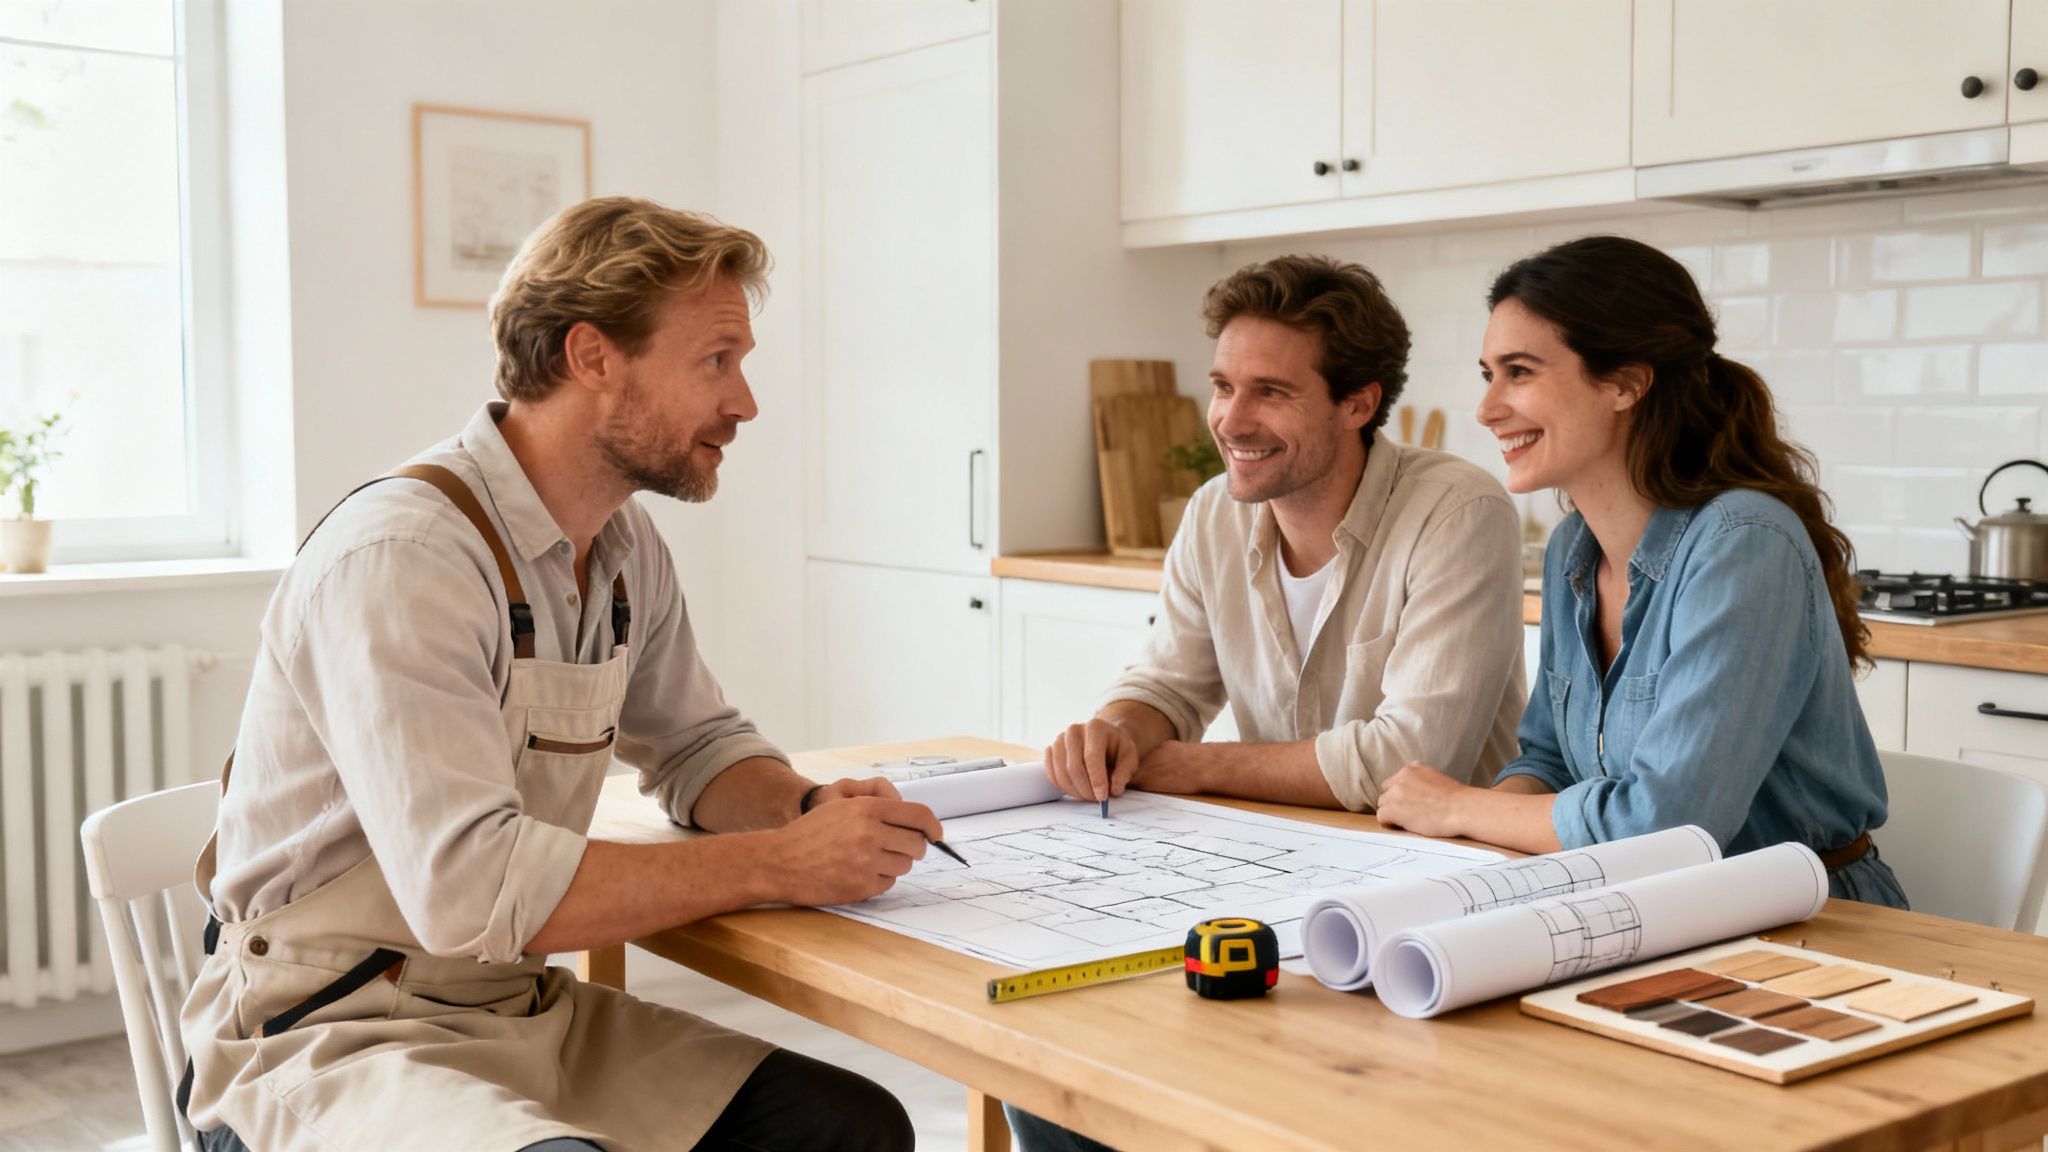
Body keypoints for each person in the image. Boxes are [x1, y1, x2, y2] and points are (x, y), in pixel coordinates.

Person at [178, 197, 936, 1152]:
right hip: (325, 1034)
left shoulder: (624, 546)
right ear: (592, 357)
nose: (744, 402)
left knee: (853, 1128)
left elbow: (698, 749)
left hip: (511, 1007)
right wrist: (781, 864)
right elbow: (469, 890)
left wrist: (806, 810)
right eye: (716, 360)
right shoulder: (404, 558)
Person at [1376, 234, 1906, 910]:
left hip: (1816, 918)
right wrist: (1481, 850)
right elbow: (1548, 759)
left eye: (1520, 372)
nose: (1487, 409)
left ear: (1626, 383)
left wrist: (1459, 807)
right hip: (1651, 906)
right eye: (1489, 375)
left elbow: (1668, 826)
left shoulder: (1744, 542)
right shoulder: (1573, 549)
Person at [1040, 254, 1525, 816]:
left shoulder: (1458, 513)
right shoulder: (1213, 514)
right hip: (1285, 843)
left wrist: (1197, 766)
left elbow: (1410, 761)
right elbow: (1169, 688)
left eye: (1270, 392)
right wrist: (1117, 731)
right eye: (1223, 387)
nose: (1231, 421)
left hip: (1437, 854)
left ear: (1358, 404)